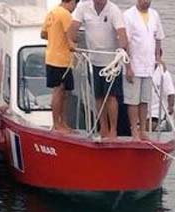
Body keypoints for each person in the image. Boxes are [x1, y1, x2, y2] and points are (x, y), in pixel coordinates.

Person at [68, 0, 128, 139]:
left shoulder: (114, 10)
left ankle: (113, 130)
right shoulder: (83, 7)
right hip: (93, 61)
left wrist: (122, 48)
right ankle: (103, 128)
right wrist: (72, 42)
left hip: (111, 63)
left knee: (112, 97)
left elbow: (122, 34)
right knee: (98, 96)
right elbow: (73, 28)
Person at [122, 0, 165, 141]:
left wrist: (157, 57)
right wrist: (128, 66)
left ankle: (143, 130)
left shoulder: (154, 15)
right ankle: (134, 130)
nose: (146, 2)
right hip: (134, 65)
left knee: (144, 100)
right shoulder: (128, 15)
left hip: (148, 65)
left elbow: (158, 37)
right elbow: (125, 42)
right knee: (133, 100)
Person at [41, 0, 78, 133]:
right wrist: (74, 46)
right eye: (75, 4)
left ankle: (63, 123)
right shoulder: (65, 14)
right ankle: (58, 124)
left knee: (65, 92)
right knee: (59, 91)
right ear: (72, 2)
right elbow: (71, 37)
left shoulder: (52, 12)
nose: (75, 8)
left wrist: (55, 39)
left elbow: (43, 34)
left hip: (52, 57)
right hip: (60, 59)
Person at [149, 57, 175, 131]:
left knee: (152, 125)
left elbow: (171, 92)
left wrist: (171, 106)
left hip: (155, 111)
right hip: (137, 109)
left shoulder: (163, 72)